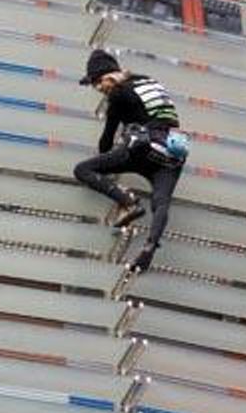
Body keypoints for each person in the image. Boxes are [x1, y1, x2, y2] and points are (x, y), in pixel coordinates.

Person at [73, 49, 189, 273]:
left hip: (141, 149)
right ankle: (149, 249)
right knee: (161, 201)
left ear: (110, 76)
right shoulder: (148, 81)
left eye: (98, 82)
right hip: (171, 152)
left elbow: (107, 139)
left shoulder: (118, 93)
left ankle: (128, 201)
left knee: (83, 170)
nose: (98, 89)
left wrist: (105, 159)